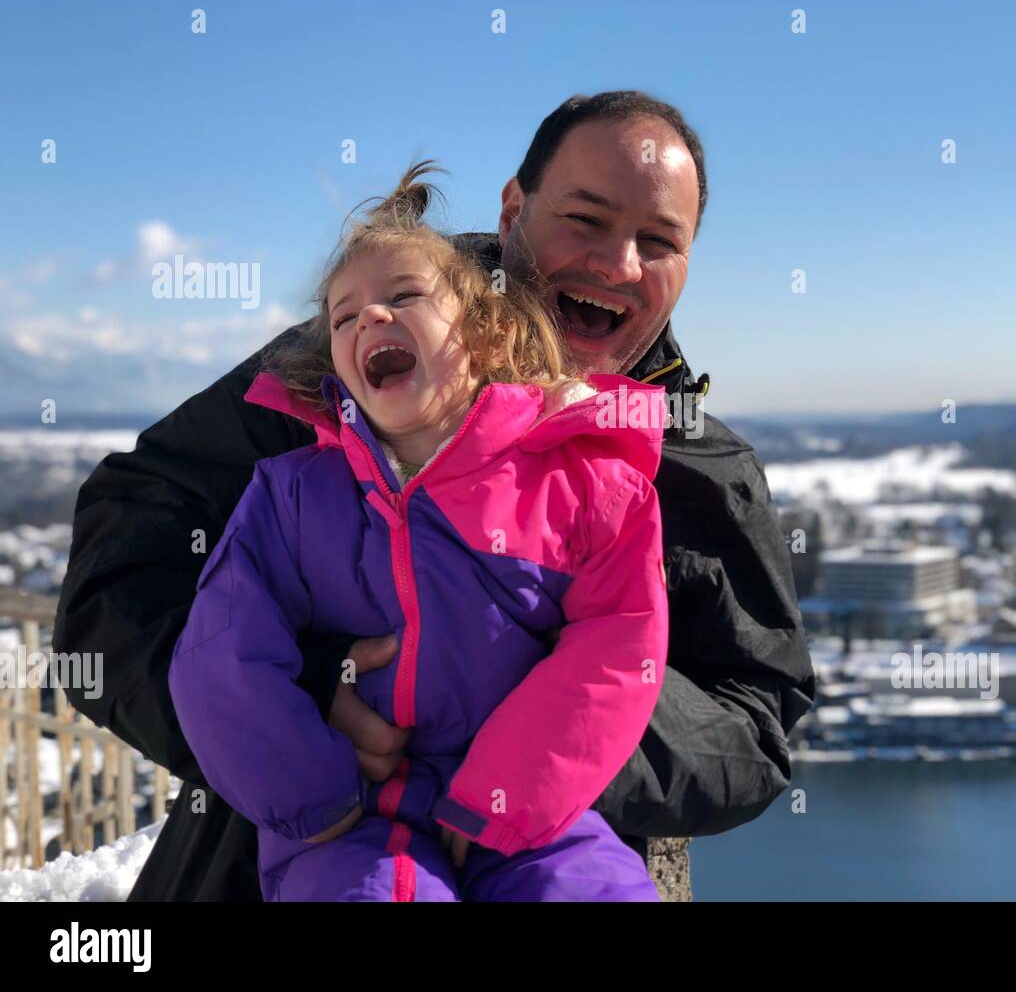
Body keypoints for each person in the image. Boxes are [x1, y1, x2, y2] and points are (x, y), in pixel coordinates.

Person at [53, 90, 816, 902]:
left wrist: (541, 721)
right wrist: (303, 690)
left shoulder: (695, 457)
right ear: (514, 208)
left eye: (658, 240)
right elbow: (118, 569)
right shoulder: (343, 373)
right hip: (285, 863)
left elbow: (756, 723)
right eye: (586, 219)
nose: (618, 262)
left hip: (555, 867)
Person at [168, 161, 668, 901]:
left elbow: (620, 646)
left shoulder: (579, 485)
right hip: (353, 823)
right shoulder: (293, 494)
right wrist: (313, 797)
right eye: (343, 318)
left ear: (484, 331)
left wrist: (506, 793)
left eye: (403, 296)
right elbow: (220, 654)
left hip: (532, 822)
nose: (370, 318)